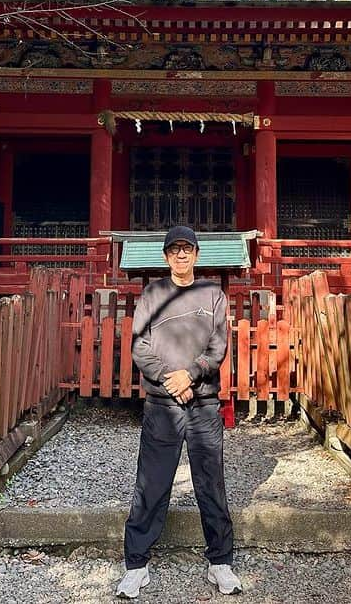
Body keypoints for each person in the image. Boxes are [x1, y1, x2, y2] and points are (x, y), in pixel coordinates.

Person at [116, 225, 242, 599]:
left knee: (211, 483)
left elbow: (218, 345)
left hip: (203, 404)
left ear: (197, 255)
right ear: (166, 257)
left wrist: (191, 373)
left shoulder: (212, 294)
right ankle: (136, 564)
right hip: (161, 404)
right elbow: (139, 346)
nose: (181, 255)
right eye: (175, 250)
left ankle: (220, 561)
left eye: (188, 249)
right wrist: (168, 379)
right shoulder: (153, 294)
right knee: (151, 484)